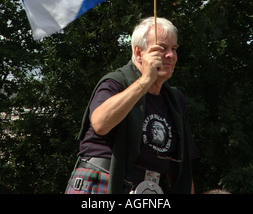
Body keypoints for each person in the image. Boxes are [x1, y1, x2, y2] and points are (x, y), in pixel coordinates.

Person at [65, 17, 197, 194]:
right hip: (101, 183)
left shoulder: (175, 100)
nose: (171, 55)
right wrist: (144, 82)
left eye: (174, 49)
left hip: (148, 191)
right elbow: (100, 124)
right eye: (162, 49)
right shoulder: (115, 83)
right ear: (139, 52)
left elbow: (180, 168)